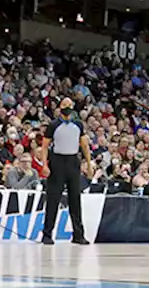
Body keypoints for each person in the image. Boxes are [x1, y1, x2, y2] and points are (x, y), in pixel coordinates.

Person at [39, 97, 91, 245]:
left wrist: (88, 164)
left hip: (73, 161)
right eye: (64, 104)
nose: (67, 107)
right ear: (60, 107)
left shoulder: (78, 125)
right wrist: (45, 165)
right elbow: (44, 147)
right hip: (57, 162)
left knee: (75, 199)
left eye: (69, 105)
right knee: (53, 199)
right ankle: (47, 234)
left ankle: (78, 234)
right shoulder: (53, 125)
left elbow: (84, 145)